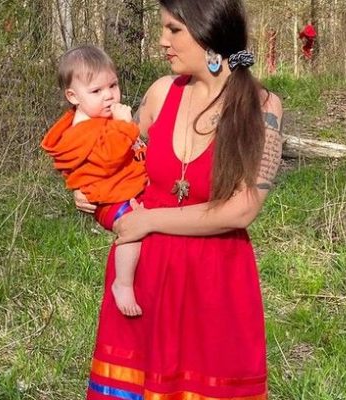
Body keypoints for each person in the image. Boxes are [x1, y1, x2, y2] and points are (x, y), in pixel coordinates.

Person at [73, 0, 284, 398]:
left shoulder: (261, 106)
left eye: (173, 30)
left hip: (215, 284)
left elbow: (243, 208)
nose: (162, 41)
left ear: (207, 33)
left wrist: (151, 220)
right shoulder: (159, 93)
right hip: (143, 280)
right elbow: (118, 161)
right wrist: (88, 189)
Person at [42, 45, 149, 317]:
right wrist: (124, 126)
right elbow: (108, 157)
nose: (109, 96)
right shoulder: (83, 128)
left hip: (122, 189)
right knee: (132, 230)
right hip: (112, 199)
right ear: (73, 96)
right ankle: (122, 283)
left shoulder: (98, 119)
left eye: (113, 85)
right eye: (96, 91)